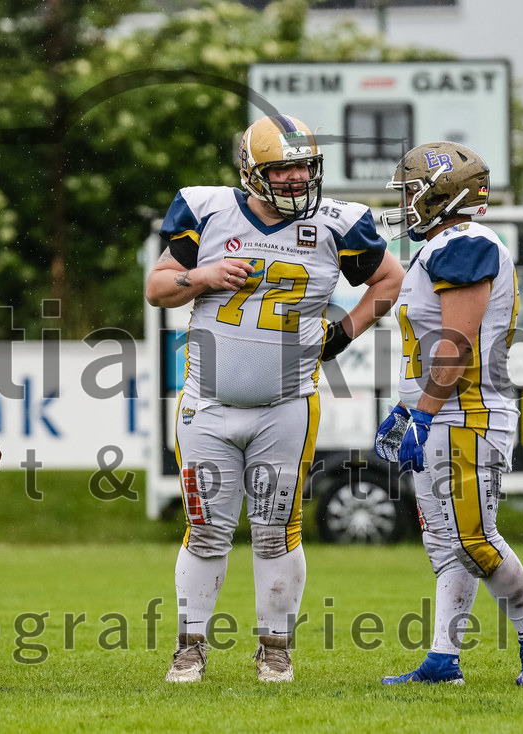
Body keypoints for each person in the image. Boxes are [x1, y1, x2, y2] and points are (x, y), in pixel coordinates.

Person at [145, 114, 404, 682]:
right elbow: (158, 287)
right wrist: (206, 274)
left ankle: (276, 648)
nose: (293, 179)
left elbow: (390, 279)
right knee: (207, 527)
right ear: (251, 172)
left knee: (274, 526)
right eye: (280, 168)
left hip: (287, 405)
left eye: (302, 167)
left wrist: (346, 331)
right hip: (207, 403)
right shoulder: (205, 209)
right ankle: (190, 648)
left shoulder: (338, 221)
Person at [375, 141, 523, 687]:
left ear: (441, 194)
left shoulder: (467, 243)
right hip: (450, 411)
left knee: (473, 537)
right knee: (446, 542)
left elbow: (457, 342)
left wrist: (427, 414)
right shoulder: (438, 248)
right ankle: (442, 659)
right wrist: (409, 409)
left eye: (414, 190)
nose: (408, 200)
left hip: (470, 415)